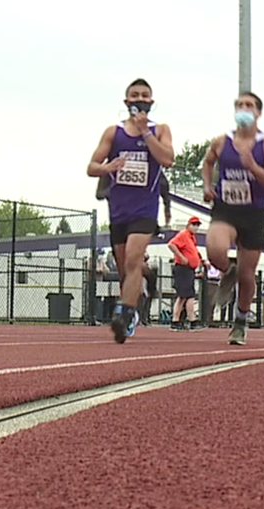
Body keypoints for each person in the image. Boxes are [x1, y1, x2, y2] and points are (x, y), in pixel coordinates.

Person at [87, 78, 175, 343]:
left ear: (151, 102)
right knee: (126, 269)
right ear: (126, 102)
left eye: (144, 95)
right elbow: (91, 167)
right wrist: (108, 167)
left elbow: (168, 159)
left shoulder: (160, 130)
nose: (139, 99)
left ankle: (123, 313)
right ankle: (133, 306)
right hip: (119, 211)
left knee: (134, 259)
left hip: (145, 209)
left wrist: (145, 133)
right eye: (134, 95)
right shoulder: (113, 133)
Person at [200, 91, 264, 345]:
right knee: (214, 250)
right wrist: (206, 185)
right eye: (239, 105)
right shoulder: (221, 141)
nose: (243, 108)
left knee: (248, 276)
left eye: (249, 105)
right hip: (226, 207)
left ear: (258, 112)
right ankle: (228, 269)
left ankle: (240, 322)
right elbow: (207, 163)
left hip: (255, 212)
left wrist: (253, 167)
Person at [167, 216, 204, 331]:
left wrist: (201, 260)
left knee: (183, 296)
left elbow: (193, 251)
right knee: (188, 295)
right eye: (194, 224)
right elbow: (171, 244)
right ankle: (192, 319)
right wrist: (181, 257)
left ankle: (176, 321)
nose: (196, 227)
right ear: (188, 225)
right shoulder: (183, 234)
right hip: (183, 268)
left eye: (198, 225)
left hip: (189, 269)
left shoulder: (191, 238)